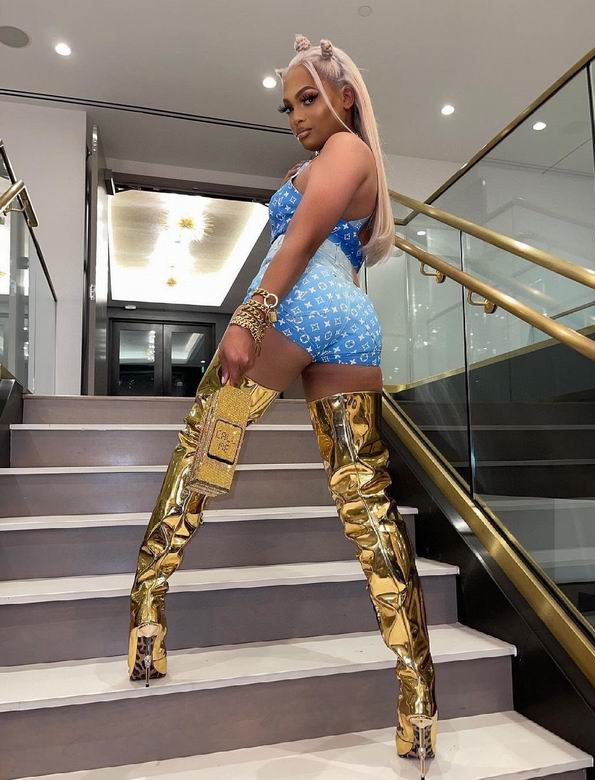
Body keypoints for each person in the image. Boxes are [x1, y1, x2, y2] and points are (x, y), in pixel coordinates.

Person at [127, 33, 438, 774]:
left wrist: (250, 313)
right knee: (367, 505)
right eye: (288, 105)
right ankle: (418, 702)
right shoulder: (356, 160)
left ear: (345, 97)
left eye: (308, 98)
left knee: (202, 452)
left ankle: (147, 613)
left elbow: (299, 238)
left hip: (296, 306)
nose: (297, 115)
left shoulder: (345, 150)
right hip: (350, 321)